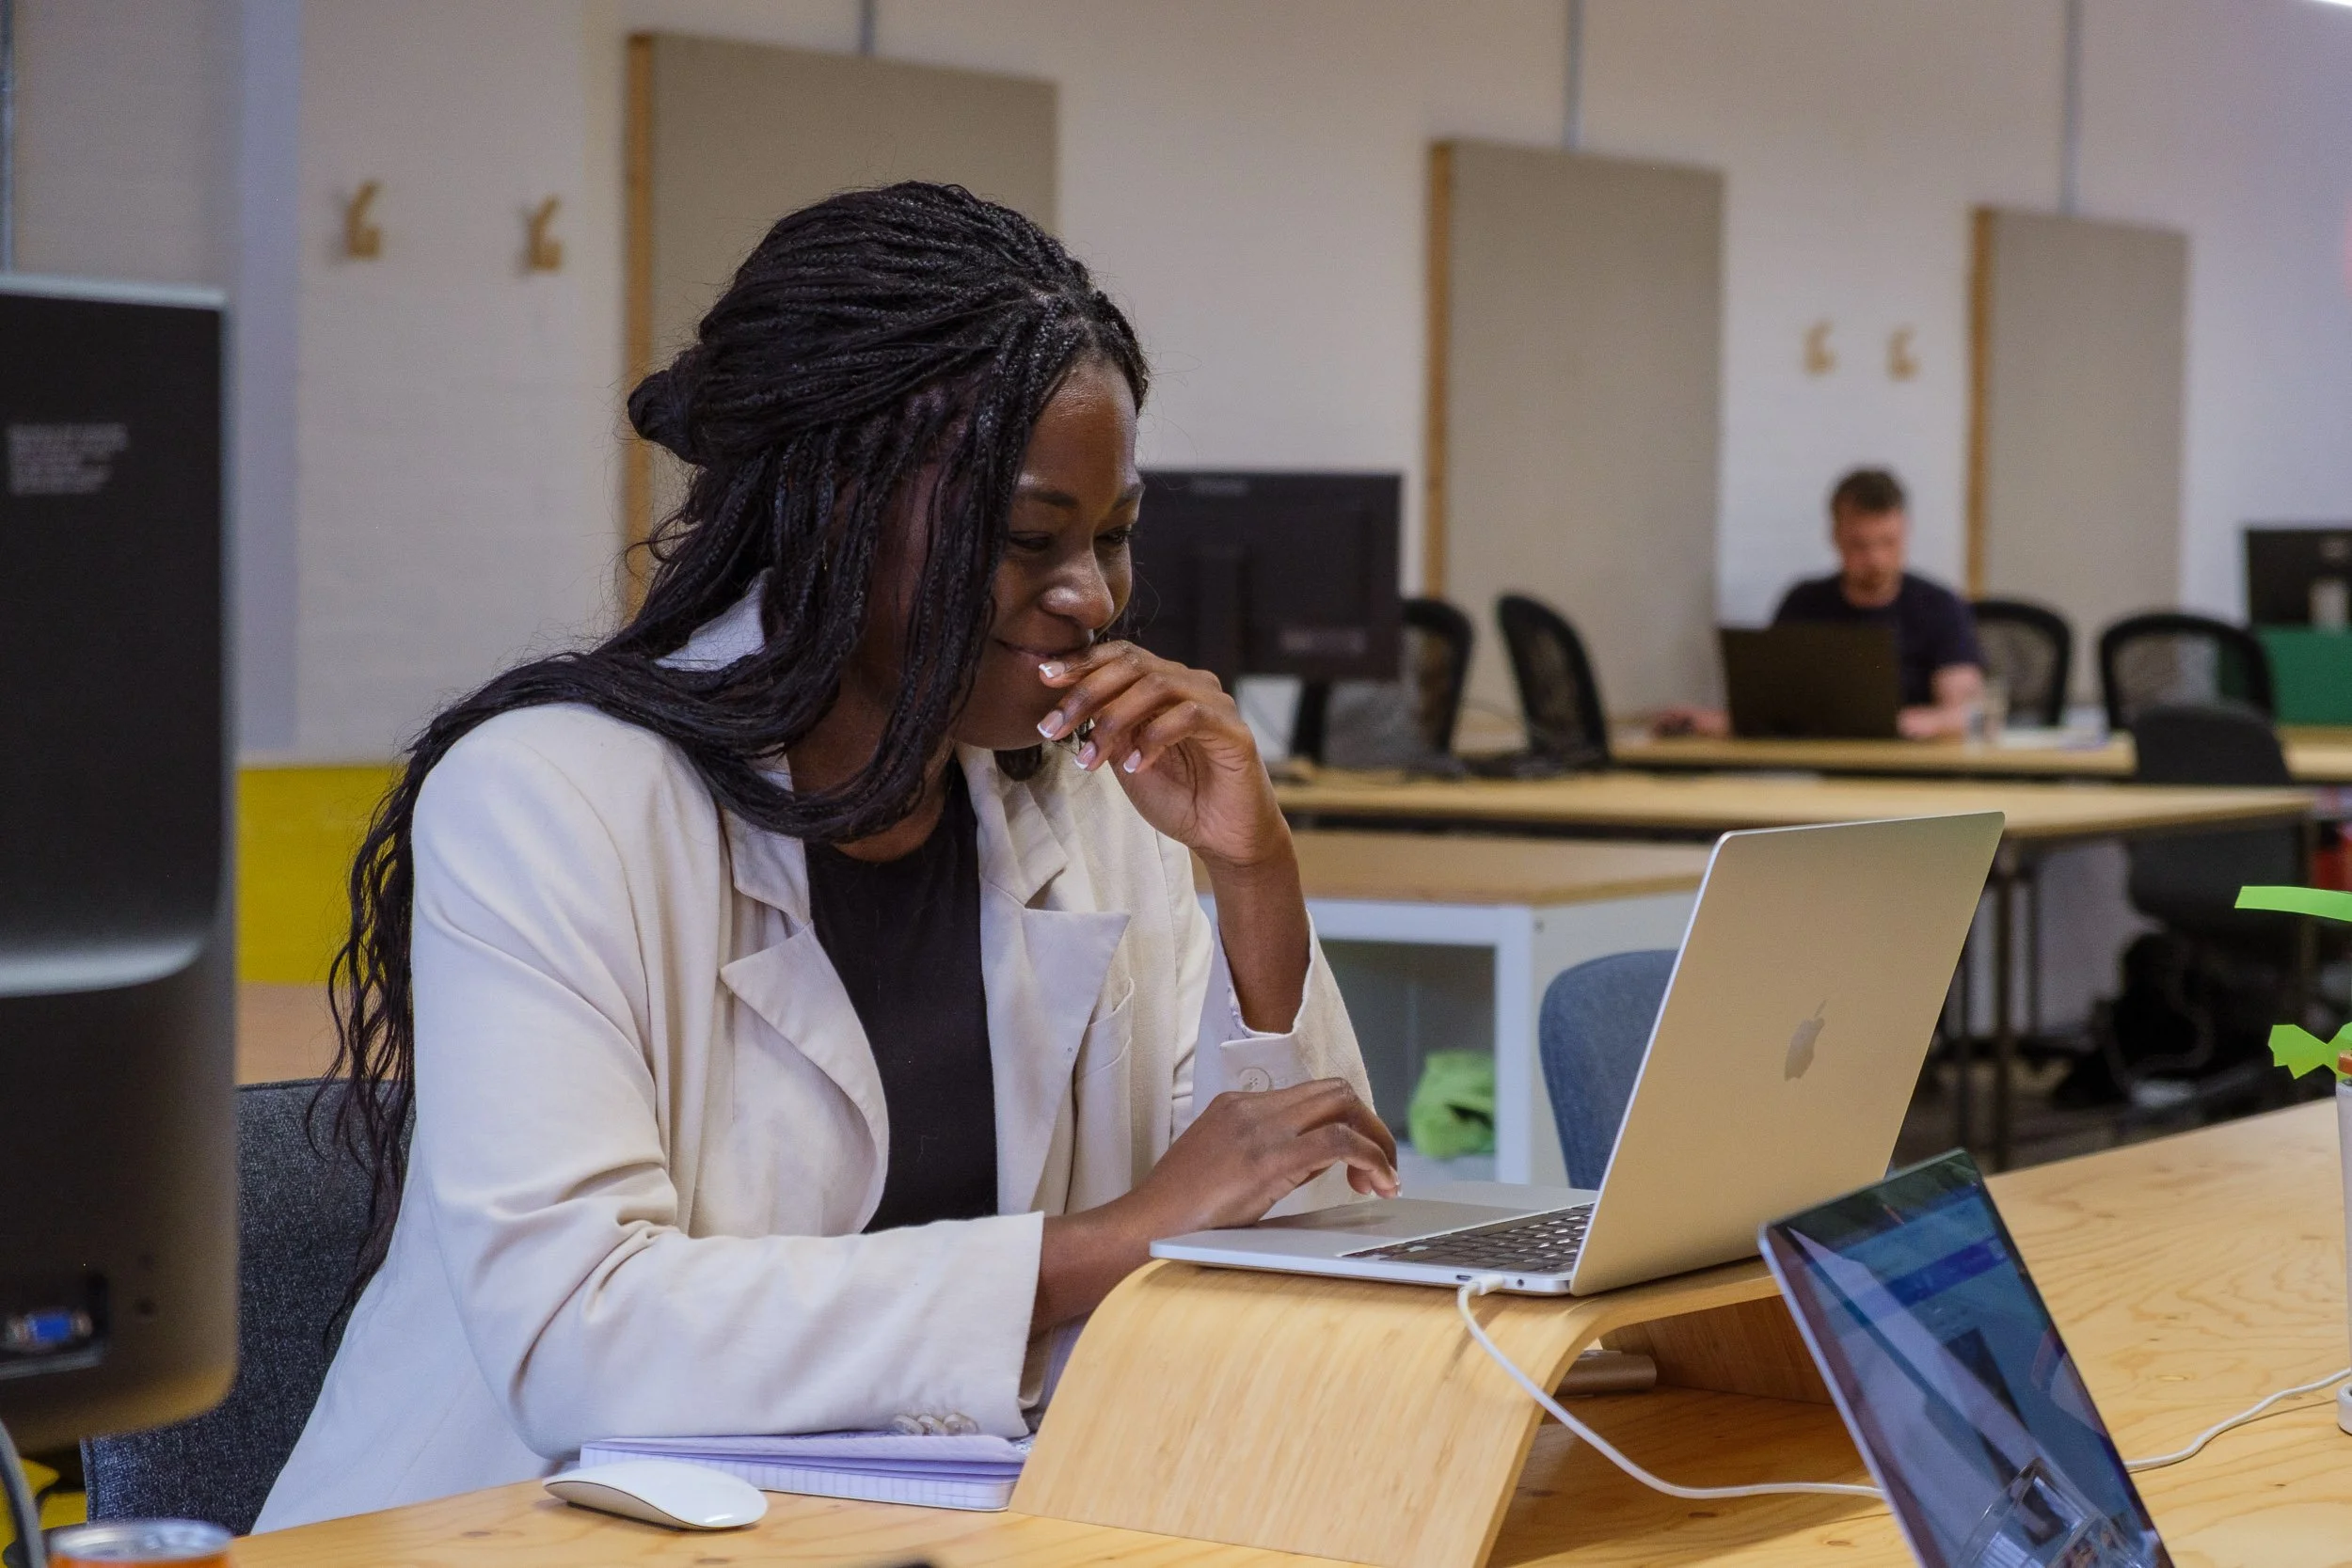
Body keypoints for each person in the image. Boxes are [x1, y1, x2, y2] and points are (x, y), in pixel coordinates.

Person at [257, 183, 1393, 1530]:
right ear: (833, 510)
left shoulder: (1085, 793)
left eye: (1113, 534)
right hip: (508, 1526)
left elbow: (1316, 1233)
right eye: (1028, 539)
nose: (1093, 594)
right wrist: (1106, 1242)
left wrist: (1253, 877)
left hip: (891, 1523)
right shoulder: (551, 798)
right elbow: (583, 1335)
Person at [1655, 467, 1985, 739]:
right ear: (1835, 536)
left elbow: (1965, 711)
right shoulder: (1804, 602)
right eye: (1859, 545)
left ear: (1906, 531)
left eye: (1888, 542)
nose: (1875, 559)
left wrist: (1927, 722)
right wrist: (1710, 722)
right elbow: (1770, 707)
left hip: (1911, 767)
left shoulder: (1940, 606)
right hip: (1813, 765)